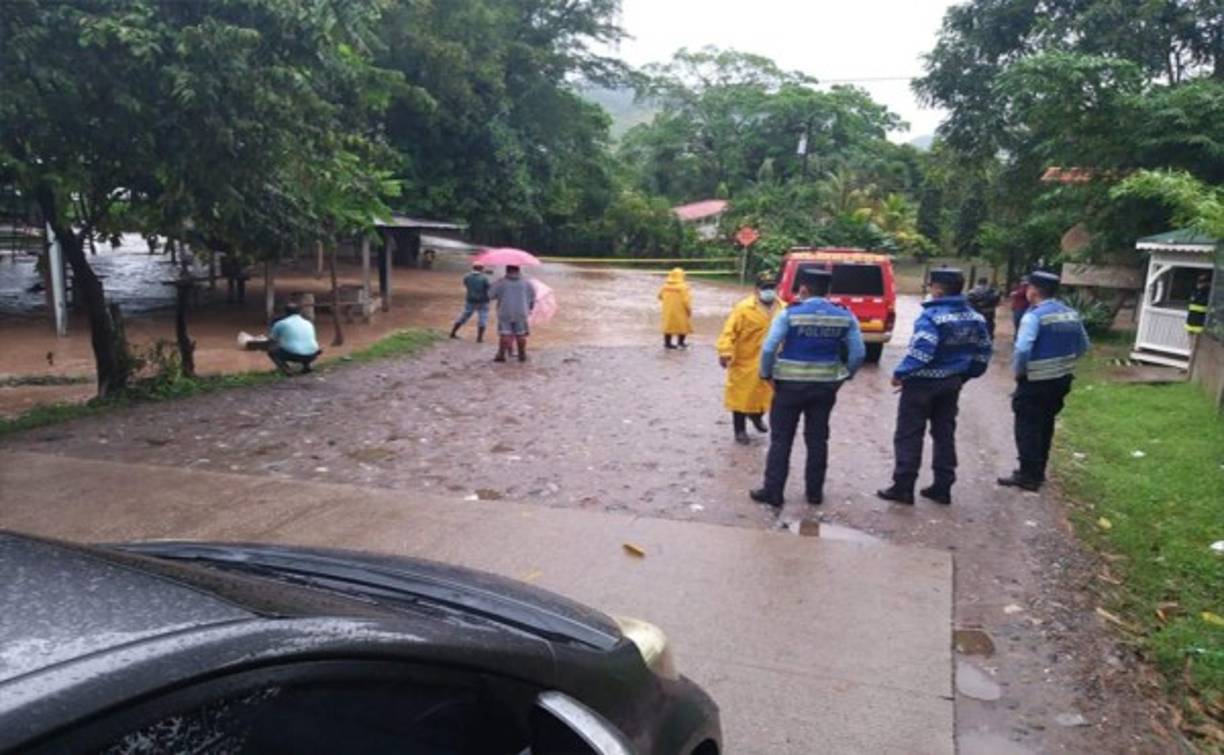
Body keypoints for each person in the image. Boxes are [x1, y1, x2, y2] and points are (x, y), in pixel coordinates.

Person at [877, 268, 993, 505]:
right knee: (944, 433)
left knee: (909, 434)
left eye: (931, 286)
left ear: (938, 289)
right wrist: (967, 375)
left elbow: (922, 351)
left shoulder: (932, 317)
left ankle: (904, 486)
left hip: (921, 385)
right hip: (952, 383)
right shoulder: (975, 317)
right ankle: (943, 486)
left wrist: (900, 373)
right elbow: (983, 351)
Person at [752, 268, 865, 507]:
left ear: (803, 289)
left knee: (781, 440)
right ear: (828, 291)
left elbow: (770, 348)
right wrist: (845, 376)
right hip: (825, 387)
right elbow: (858, 353)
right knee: (817, 440)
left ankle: (773, 492)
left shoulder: (789, 314)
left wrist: (766, 374)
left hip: (788, 387)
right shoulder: (845, 315)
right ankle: (814, 493)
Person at [998, 270, 1090, 491]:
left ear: (1034, 291)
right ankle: (1038, 471)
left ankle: (1028, 476)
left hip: (1036, 380)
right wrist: (1065, 363)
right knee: (1046, 424)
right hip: (1061, 379)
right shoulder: (1070, 314)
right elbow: (1084, 345)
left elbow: (1022, 349)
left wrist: (1019, 372)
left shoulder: (1034, 316)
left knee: (1027, 426)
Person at [716, 274, 779, 445]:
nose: (769, 291)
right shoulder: (743, 308)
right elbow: (729, 331)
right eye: (765, 288)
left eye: (772, 287)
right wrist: (725, 351)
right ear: (756, 290)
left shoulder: (783, 308)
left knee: (765, 394)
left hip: (772, 361)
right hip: (745, 360)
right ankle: (740, 430)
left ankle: (756, 416)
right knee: (741, 396)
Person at [490, 265, 536, 363]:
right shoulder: (527, 283)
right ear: (518, 270)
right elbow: (533, 298)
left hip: (505, 311)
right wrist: (530, 308)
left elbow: (490, 295)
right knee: (521, 334)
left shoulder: (501, 282)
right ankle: (522, 355)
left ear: (507, 271)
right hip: (522, 311)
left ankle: (501, 355)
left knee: (505, 333)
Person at [267, 302, 321, 375]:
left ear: (285, 312)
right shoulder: (308, 323)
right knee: (304, 345)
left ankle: (287, 370)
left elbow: (272, 339)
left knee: (272, 351)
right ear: (300, 312)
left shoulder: (281, 323)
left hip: (295, 355)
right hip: (313, 354)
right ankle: (307, 366)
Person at [449, 263, 492, 342]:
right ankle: (479, 338)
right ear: (482, 269)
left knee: (463, 316)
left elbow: (466, 284)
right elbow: (489, 288)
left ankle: (452, 333)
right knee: (483, 318)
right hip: (483, 301)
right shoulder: (484, 278)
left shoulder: (467, 276)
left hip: (470, 299)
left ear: (473, 268)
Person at [658, 267, 693, 349]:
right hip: (680, 311)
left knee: (668, 326)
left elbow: (659, 296)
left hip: (667, 310)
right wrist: (689, 310)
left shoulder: (665, 286)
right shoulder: (684, 287)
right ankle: (681, 343)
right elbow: (686, 301)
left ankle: (667, 343)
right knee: (683, 326)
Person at [966, 276, 1001, 341]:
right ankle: (989, 340)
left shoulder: (973, 291)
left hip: (977, 312)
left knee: (976, 326)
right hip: (989, 312)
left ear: (978, 282)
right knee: (989, 326)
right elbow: (997, 299)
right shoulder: (991, 290)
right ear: (986, 282)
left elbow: (969, 302)